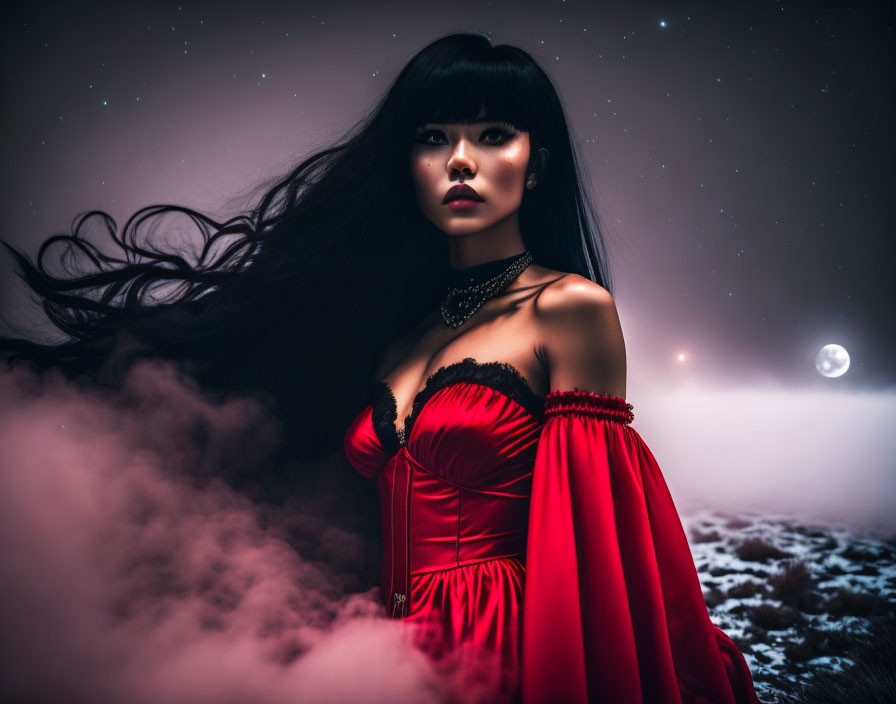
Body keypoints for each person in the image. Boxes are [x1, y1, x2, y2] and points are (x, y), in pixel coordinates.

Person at [1, 31, 760, 704]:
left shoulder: (568, 309)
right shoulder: (403, 335)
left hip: (507, 650)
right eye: (435, 137)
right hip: (380, 648)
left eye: (494, 134)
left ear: (537, 166)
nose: (461, 161)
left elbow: (597, 530)